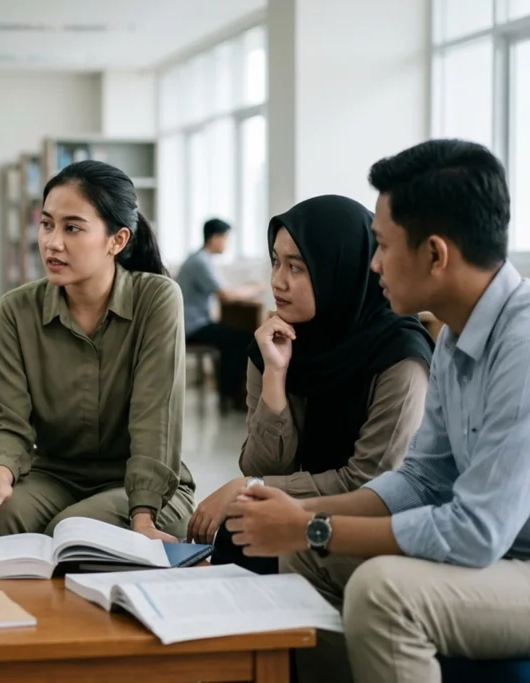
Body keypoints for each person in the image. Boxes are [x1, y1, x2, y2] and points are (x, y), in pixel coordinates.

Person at [224, 139, 530, 683]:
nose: (374, 263)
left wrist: (314, 526)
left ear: (435, 254)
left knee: (381, 591)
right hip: (496, 554)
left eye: (384, 245)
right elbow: (419, 481)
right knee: (303, 555)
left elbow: (475, 532)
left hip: (515, 562)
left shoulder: (521, 344)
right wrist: (298, 518)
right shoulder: (455, 338)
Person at [187, 195, 433, 575]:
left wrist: (251, 486)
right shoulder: (275, 342)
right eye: (275, 261)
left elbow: (370, 482)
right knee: (239, 533)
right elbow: (259, 464)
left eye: (297, 267)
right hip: (301, 513)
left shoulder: (400, 356)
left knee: (249, 536)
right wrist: (275, 374)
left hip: (370, 530)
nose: (277, 281)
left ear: (341, 269)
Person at [0, 160, 196, 541]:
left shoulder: (157, 298)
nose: (52, 242)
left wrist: (142, 520)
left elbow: (156, 419)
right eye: (46, 224)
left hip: (141, 486)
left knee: (75, 530)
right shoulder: (17, 309)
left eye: (72, 228)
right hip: (53, 476)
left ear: (117, 240)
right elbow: (5, 418)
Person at [177, 218, 264, 411]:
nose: (227, 244)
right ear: (214, 238)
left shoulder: (201, 259)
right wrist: (256, 288)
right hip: (192, 326)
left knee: (234, 339)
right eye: (226, 238)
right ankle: (233, 397)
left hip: (196, 323)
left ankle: (229, 394)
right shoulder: (199, 262)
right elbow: (226, 295)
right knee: (243, 340)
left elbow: (225, 290)